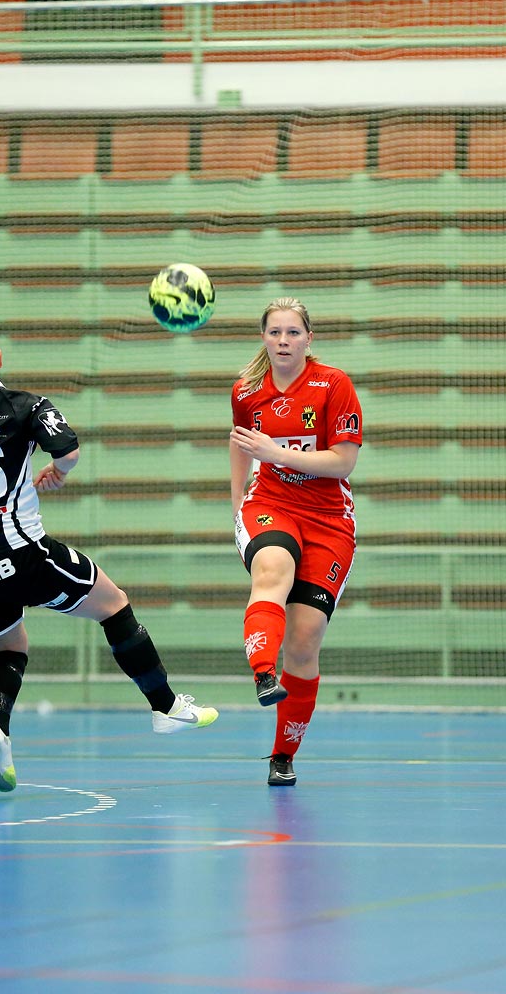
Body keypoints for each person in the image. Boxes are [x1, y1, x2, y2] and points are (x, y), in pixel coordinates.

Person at [0, 319, 218, 793]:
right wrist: (56, 471)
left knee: (9, 648)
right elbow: (70, 449)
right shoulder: (28, 406)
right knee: (114, 604)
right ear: (0, 358)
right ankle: (165, 707)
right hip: (22, 555)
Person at [229, 298, 363, 786]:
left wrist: (276, 451)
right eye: (274, 333)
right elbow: (239, 440)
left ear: (309, 338)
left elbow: (343, 462)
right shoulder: (247, 390)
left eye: (292, 333)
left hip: (329, 519)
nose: (283, 341)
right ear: (263, 338)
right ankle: (263, 673)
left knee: (304, 644)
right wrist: (236, 500)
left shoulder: (334, 385)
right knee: (272, 571)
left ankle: (283, 756)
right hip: (272, 504)